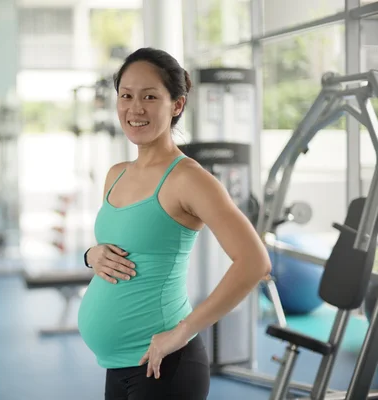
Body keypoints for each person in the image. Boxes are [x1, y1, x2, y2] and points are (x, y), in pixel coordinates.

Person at [76, 47, 272, 400]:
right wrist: (92, 255)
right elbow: (121, 245)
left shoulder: (190, 180)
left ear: (177, 105)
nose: (135, 108)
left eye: (150, 97)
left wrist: (183, 332)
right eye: (126, 96)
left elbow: (255, 262)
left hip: (163, 366)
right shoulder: (116, 174)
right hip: (117, 366)